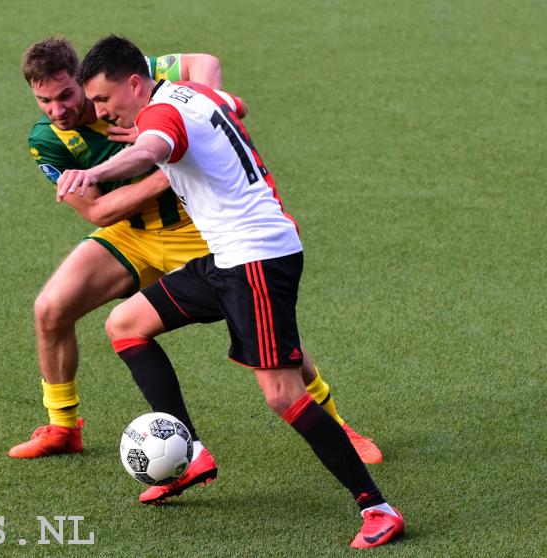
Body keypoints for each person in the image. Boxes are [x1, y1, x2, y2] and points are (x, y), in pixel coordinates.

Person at [56, 35, 404, 548]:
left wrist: (96, 170)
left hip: (256, 259)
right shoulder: (190, 93)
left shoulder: (158, 118)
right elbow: (231, 105)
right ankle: (191, 452)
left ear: (134, 83)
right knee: (125, 324)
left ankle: (378, 507)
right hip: (227, 257)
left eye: (105, 99)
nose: (101, 111)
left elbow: (152, 147)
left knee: (282, 393)